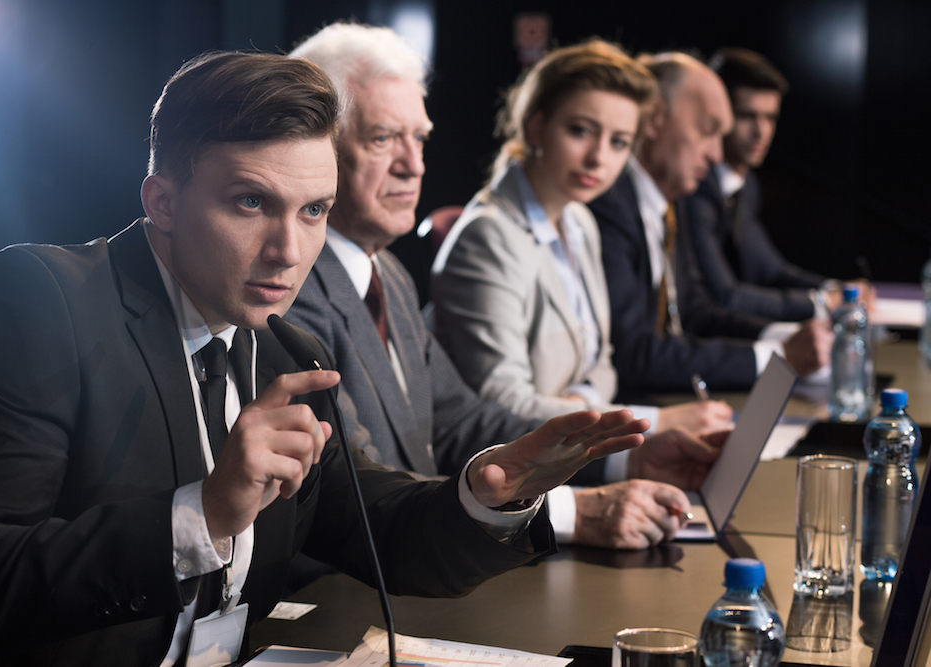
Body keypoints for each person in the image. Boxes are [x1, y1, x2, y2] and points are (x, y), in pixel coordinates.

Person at [0, 51, 651, 666]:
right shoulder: (37, 299)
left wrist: (493, 492)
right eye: (251, 202)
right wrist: (202, 515)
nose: (289, 250)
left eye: (314, 211)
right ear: (164, 201)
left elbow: (379, 526)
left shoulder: (281, 344)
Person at [286, 25, 721, 551]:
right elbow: (358, 490)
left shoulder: (389, 274)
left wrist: (624, 453)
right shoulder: (290, 288)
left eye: (420, 138)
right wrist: (568, 510)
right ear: (313, 150)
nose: (414, 164)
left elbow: (461, 421)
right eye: (383, 138)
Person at [431, 39, 732, 433]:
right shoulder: (487, 236)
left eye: (619, 142)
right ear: (535, 125)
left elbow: (604, 363)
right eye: (581, 131)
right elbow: (504, 405)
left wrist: (581, 405)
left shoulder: (580, 221)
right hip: (513, 472)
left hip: (571, 449)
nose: (598, 158)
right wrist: (654, 422)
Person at [587, 52, 832, 395]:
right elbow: (632, 355)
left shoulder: (667, 203)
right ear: (655, 117)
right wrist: (777, 356)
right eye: (708, 131)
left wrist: (780, 338)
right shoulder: (609, 205)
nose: (717, 155)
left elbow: (697, 313)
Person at [684, 48, 837, 322]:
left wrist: (834, 289)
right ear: (720, 114)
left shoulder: (746, 183)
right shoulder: (694, 185)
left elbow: (772, 270)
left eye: (770, 118)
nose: (761, 131)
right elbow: (725, 296)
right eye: (747, 116)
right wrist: (821, 302)